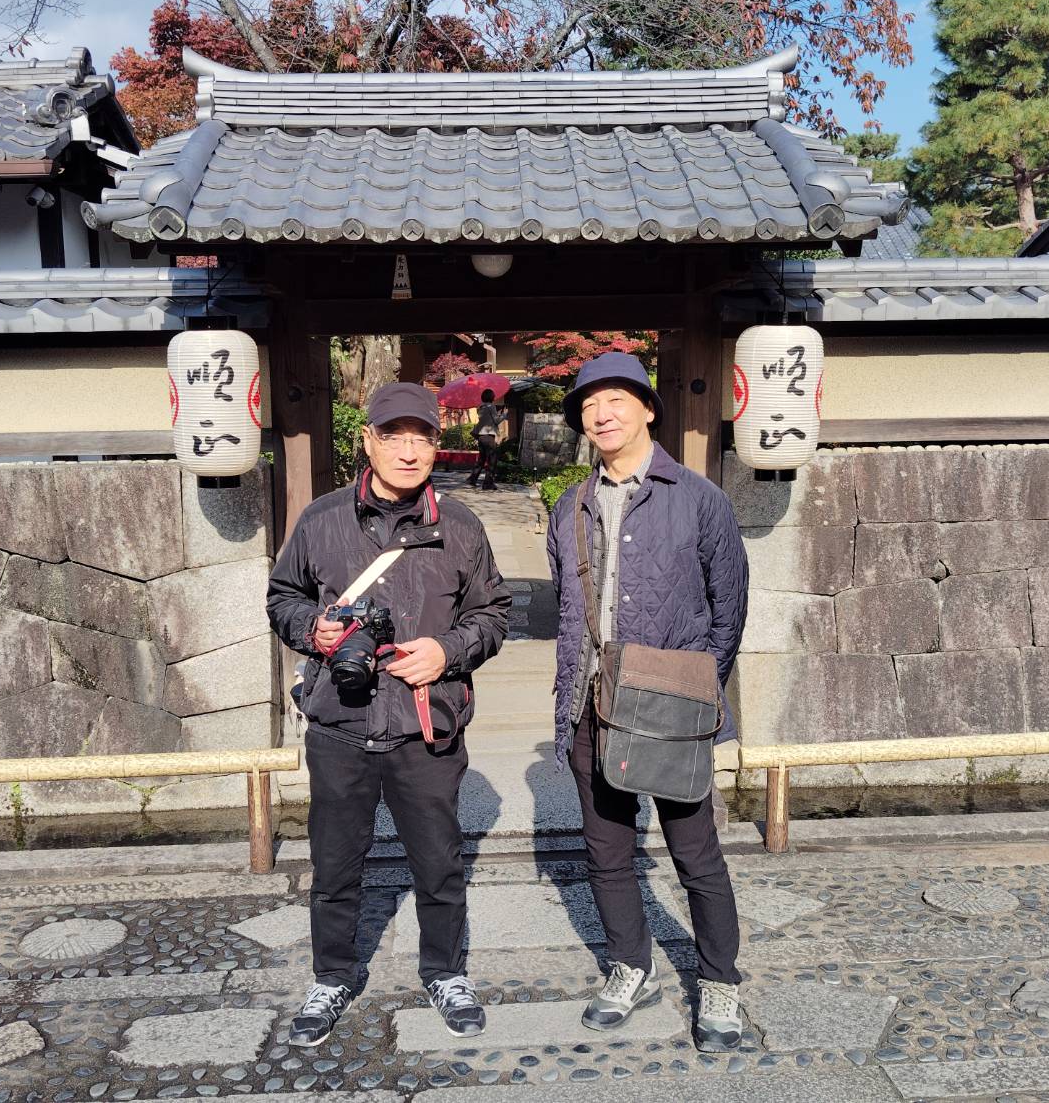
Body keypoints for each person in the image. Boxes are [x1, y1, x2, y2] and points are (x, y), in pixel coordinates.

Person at [266, 381, 511, 1046]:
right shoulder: (321, 520)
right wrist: (312, 629)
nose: (408, 451)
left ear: (437, 444)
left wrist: (447, 651)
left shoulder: (460, 527)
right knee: (335, 865)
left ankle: (446, 972)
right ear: (367, 441)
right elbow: (282, 596)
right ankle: (332, 976)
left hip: (425, 725)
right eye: (393, 436)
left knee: (439, 862)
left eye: (421, 437)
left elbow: (493, 613)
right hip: (341, 724)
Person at [544, 352, 749, 1053]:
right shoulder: (568, 506)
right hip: (587, 704)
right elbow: (568, 605)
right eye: (588, 405)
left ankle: (719, 979)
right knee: (606, 851)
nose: (601, 414)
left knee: (696, 853)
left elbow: (729, 609)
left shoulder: (698, 498)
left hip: (670, 706)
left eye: (616, 400)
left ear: (647, 409)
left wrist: (694, 691)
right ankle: (631, 966)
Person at [466, 387, 504, 491]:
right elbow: (496, 421)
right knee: (492, 460)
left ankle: (472, 479)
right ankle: (488, 483)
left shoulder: (480, 407)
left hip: (481, 436)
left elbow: (487, 420)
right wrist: (504, 415)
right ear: (491, 397)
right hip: (488, 436)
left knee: (482, 459)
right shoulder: (491, 406)